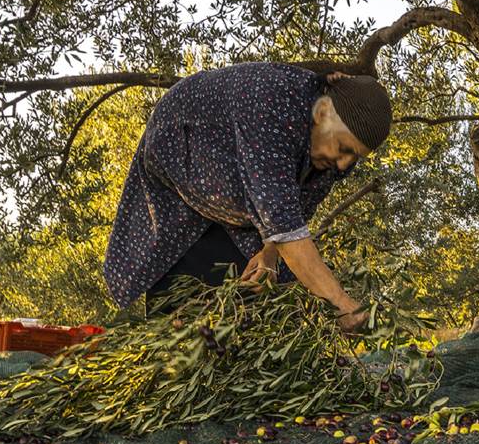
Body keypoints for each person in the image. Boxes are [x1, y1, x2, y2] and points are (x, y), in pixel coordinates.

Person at [103, 61, 392, 332]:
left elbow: (293, 215)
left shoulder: (334, 154)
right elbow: (286, 229)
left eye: (354, 156)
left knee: (262, 291)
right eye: (343, 148)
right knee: (189, 312)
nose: (343, 164)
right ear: (322, 113)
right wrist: (341, 305)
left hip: (242, 198)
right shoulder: (270, 105)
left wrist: (269, 253)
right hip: (186, 160)